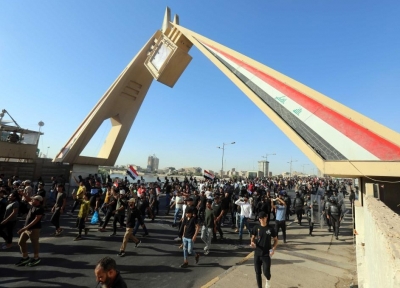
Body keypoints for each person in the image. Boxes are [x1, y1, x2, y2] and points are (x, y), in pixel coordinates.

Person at [250, 211, 278, 288]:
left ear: (266, 218)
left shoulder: (270, 229)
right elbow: (252, 238)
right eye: (260, 218)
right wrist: (252, 242)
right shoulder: (256, 228)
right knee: (258, 272)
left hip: (266, 254)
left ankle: (268, 280)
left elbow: (276, 240)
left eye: (263, 218)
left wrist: (273, 249)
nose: (261, 219)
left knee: (266, 272)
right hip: (257, 253)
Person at [15, 195, 44, 267]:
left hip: (34, 229)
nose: (32, 200)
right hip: (26, 228)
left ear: (38, 201)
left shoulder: (40, 208)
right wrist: (23, 193)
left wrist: (24, 228)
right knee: (21, 242)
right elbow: (28, 200)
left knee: (35, 244)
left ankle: (36, 258)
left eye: (34, 200)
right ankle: (25, 257)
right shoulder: (33, 205)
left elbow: (35, 220)